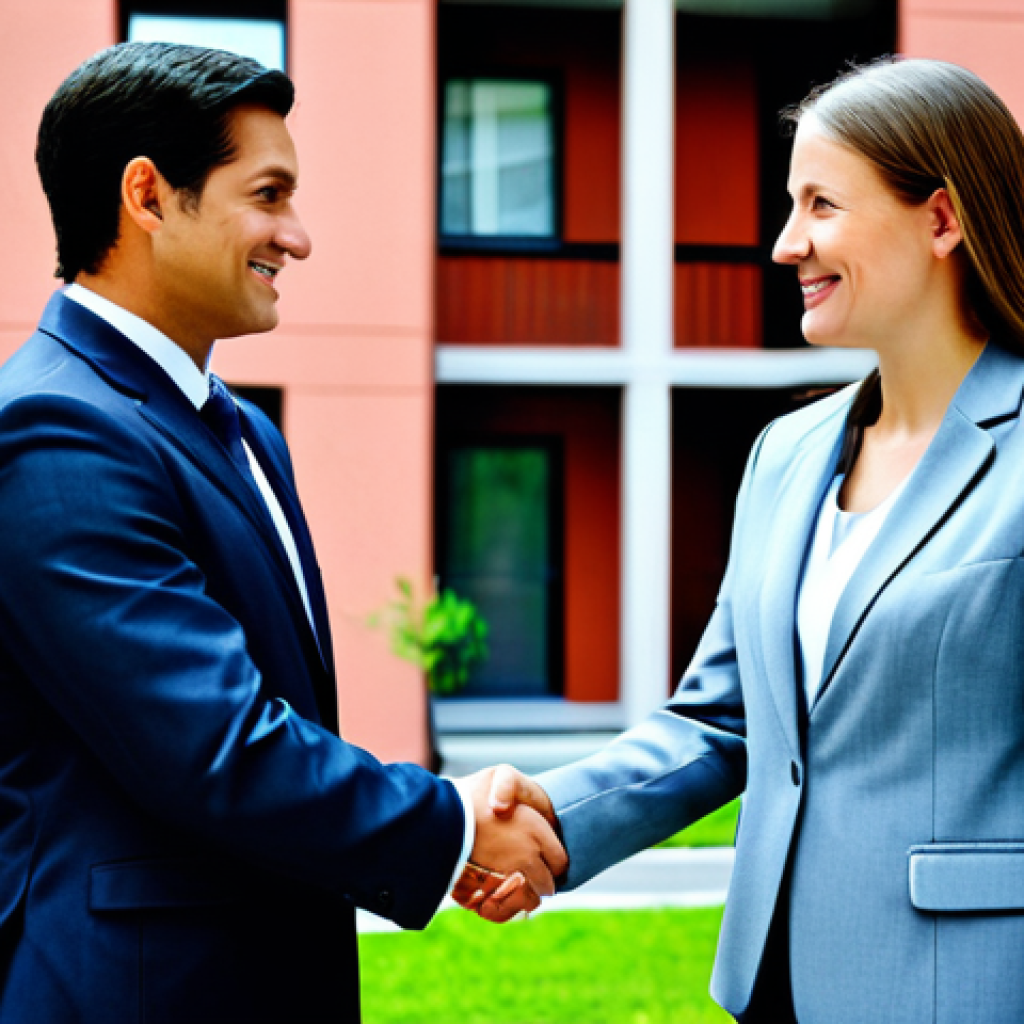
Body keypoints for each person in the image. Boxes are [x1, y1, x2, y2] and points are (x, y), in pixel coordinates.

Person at [0, 42, 565, 1024]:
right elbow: (212, 744)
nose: (296, 238)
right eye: (268, 196)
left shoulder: (243, 429)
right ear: (147, 196)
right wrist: (451, 826)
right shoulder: (55, 429)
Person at [463, 57, 1024, 1023]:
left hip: (969, 986)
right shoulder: (787, 454)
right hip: (775, 986)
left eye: (821, 206)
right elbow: (721, 719)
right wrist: (554, 814)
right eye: (789, 206)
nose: (784, 244)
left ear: (941, 219)